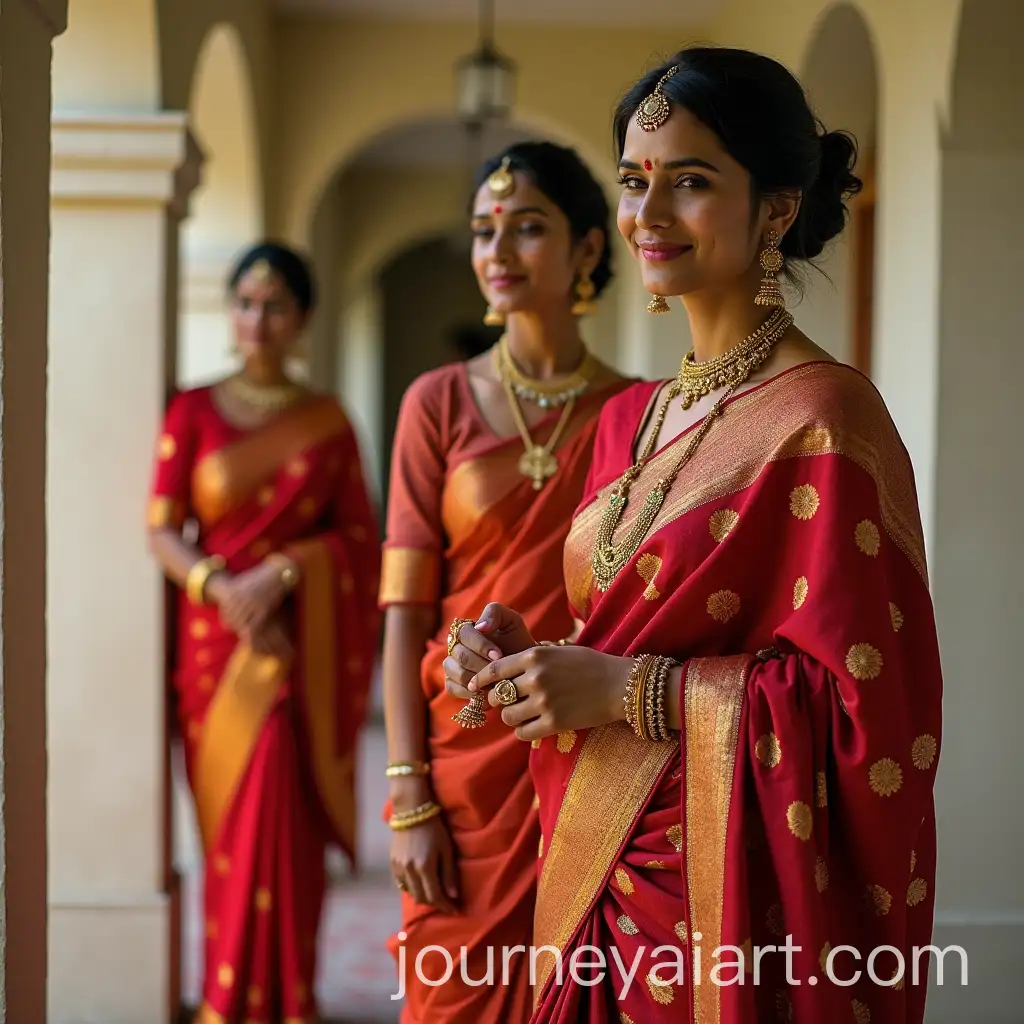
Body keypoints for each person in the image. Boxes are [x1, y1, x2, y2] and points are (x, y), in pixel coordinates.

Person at [446, 48, 942, 1024]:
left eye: (692, 181)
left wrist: (628, 690)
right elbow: (616, 632)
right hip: (596, 862)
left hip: (732, 900)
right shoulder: (631, 419)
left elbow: (867, 713)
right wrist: (523, 662)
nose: (648, 213)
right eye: (635, 180)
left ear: (775, 209)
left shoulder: (826, 420)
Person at [379, 141, 631, 1023]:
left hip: (586, 749)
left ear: (588, 251)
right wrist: (408, 789)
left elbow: (639, 606)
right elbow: (404, 616)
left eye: (528, 228)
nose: (497, 251)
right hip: (462, 756)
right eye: (486, 230)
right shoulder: (437, 404)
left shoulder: (637, 415)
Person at [147, 242, 380, 1024]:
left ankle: (288, 998)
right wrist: (219, 585)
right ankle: (224, 999)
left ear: (303, 318)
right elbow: (162, 531)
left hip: (293, 652)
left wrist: (281, 574)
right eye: (246, 301)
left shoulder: (327, 423)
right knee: (225, 828)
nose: (258, 318)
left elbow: (360, 540)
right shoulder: (191, 410)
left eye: (275, 304)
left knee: (282, 818)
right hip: (215, 651)